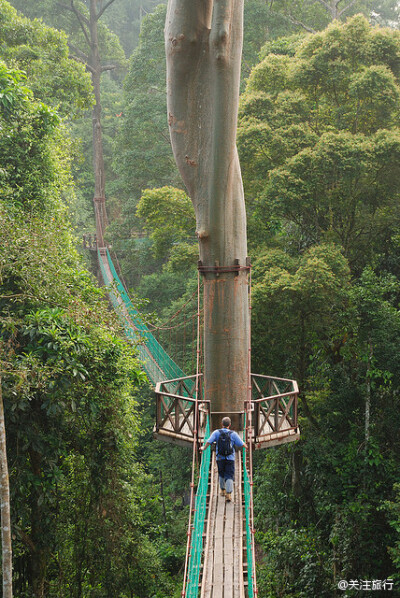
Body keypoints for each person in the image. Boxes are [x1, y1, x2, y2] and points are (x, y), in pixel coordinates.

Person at [200, 416, 247, 502]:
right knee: (229, 475)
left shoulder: (216, 432)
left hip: (220, 458)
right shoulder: (233, 434)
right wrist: (247, 447)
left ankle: (222, 490)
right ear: (229, 425)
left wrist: (203, 448)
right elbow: (241, 444)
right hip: (230, 459)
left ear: (222, 424)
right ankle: (228, 495)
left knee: (221, 474)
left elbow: (208, 442)